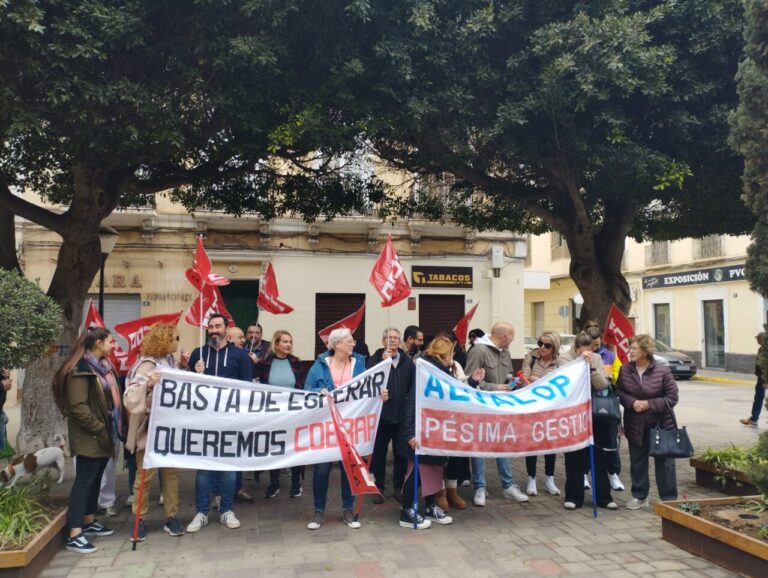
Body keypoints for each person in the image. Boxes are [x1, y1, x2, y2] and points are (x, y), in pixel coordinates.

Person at [304, 328, 388, 530]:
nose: (353, 343)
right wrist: (318, 391)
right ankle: (318, 511)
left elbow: (369, 388)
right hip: (326, 426)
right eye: (349, 340)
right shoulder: (319, 365)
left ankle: (348, 509)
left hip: (351, 426)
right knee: (322, 470)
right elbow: (306, 390)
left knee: (349, 468)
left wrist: (381, 394)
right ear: (337, 344)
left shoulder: (360, 363)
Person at [399, 336, 484, 529]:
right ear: (445, 355)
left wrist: (472, 381)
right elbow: (412, 402)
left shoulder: (441, 372)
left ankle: (430, 507)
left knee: (435, 470)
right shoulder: (425, 371)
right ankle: (407, 511)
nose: (453, 358)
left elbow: (455, 395)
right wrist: (410, 433)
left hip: (435, 432)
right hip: (421, 432)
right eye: (451, 354)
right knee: (416, 472)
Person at [52, 327, 117, 554]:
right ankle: (75, 533)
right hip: (89, 434)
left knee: (95, 479)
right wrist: (99, 428)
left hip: (100, 433)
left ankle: (88, 521)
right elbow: (78, 407)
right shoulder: (80, 370)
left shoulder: (99, 367)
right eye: (110, 341)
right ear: (98, 343)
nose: (113, 345)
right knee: (84, 482)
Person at [186, 313, 253, 533]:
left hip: (230, 421)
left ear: (226, 329)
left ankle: (226, 510)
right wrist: (196, 374)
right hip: (204, 421)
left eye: (218, 326)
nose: (214, 330)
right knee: (204, 469)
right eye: (211, 326)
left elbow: (248, 388)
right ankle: (201, 512)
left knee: (228, 468)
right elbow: (187, 388)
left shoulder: (240, 355)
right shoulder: (198, 354)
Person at [123, 323, 185, 540]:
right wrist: (148, 385)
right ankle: (139, 519)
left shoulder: (171, 362)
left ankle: (172, 517)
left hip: (168, 429)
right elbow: (130, 395)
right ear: (165, 340)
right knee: (144, 476)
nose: (178, 342)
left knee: (171, 475)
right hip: (148, 430)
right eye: (175, 338)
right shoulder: (146, 365)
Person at [465, 322, 529, 506]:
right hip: (481, 407)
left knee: (503, 443)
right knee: (480, 446)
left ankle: (508, 485)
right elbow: (469, 380)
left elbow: (508, 375)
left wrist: (514, 383)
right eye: (512, 336)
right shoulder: (478, 351)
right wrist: (494, 387)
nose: (513, 339)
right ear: (504, 337)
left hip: (501, 406)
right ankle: (479, 487)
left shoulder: (505, 352)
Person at [617, 334, 680, 509]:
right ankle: (639, 496)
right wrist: (632, 402)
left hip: (661, 424)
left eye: (634, 349)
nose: (630, 352)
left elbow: (672, 397)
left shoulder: (662, 371)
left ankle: (669, 499)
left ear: (645, 351)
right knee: (637, 461)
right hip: (635, 423)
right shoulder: (625, 370)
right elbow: (620, 392)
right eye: (630, 348)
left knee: (665, 463)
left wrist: (648, 404)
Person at [559, 332, 616, 510]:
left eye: (590, 351)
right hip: (573, 413)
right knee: (574, 456)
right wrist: (579, 363)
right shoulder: (564, 358)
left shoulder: (596, 359)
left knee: (598, 455)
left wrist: (591, 367)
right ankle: (574, 496)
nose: (586, 354)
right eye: (582, 351)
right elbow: (568, 382)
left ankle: (603, 497)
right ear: (575, 349)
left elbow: (602, 384)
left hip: (594, 412)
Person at [254, 330, 306, 498]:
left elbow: (302, 387)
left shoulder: (296, 362)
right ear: (276, 344)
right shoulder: (265, 363)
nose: (288, 344)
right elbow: (256, 383)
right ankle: (274, 483)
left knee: (295, 448)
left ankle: (296, 484)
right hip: (273, 414)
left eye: (290, 342)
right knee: (274, 448)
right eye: (284, 341)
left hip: (293, 413)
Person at [367, 328, 414, 505]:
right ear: (382, 341)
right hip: (381, 416)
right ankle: (378, 487)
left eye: (395, 338)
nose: (392, 340)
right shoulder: (374, 360)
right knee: (379, 454)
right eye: (389, 338)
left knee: (401, 453)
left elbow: (412, 385)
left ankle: (398, 487)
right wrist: (382, 362)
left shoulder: (408, 362)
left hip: (401, 416)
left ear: (400, 341)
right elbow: (367, 382)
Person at [521, 330, 562, 497]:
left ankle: (549, 478)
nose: (542, 347)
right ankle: (531, 478)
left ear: (555, 348)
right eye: (540, 343)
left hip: (551, 409)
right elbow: (525, 379)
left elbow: (560, 384)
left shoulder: (560, 361)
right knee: (532, 443)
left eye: (547, 345)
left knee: (550, 444)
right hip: (532, 407)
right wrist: (544, 383)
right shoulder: (531, 357)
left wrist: (537, 380)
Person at [585, 325, 624, 492]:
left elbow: (620, 376)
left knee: (610, 440)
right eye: (592, 345)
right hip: (586, 404)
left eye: (598, 345)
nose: (595, 348)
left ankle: (614, 474)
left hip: (605, 403)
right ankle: (584, 474)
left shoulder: (610, 355)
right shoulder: (581, 356)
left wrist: (610, 376)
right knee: (587, 441)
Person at [740, 332, 766, 427]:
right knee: (758, 397)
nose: (757, 340)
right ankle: (754, 419)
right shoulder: (762, 348)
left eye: (758, 338)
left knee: (759, 397)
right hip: (761, 377)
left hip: (764, 377)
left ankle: (754, 419)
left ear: (762, 339)